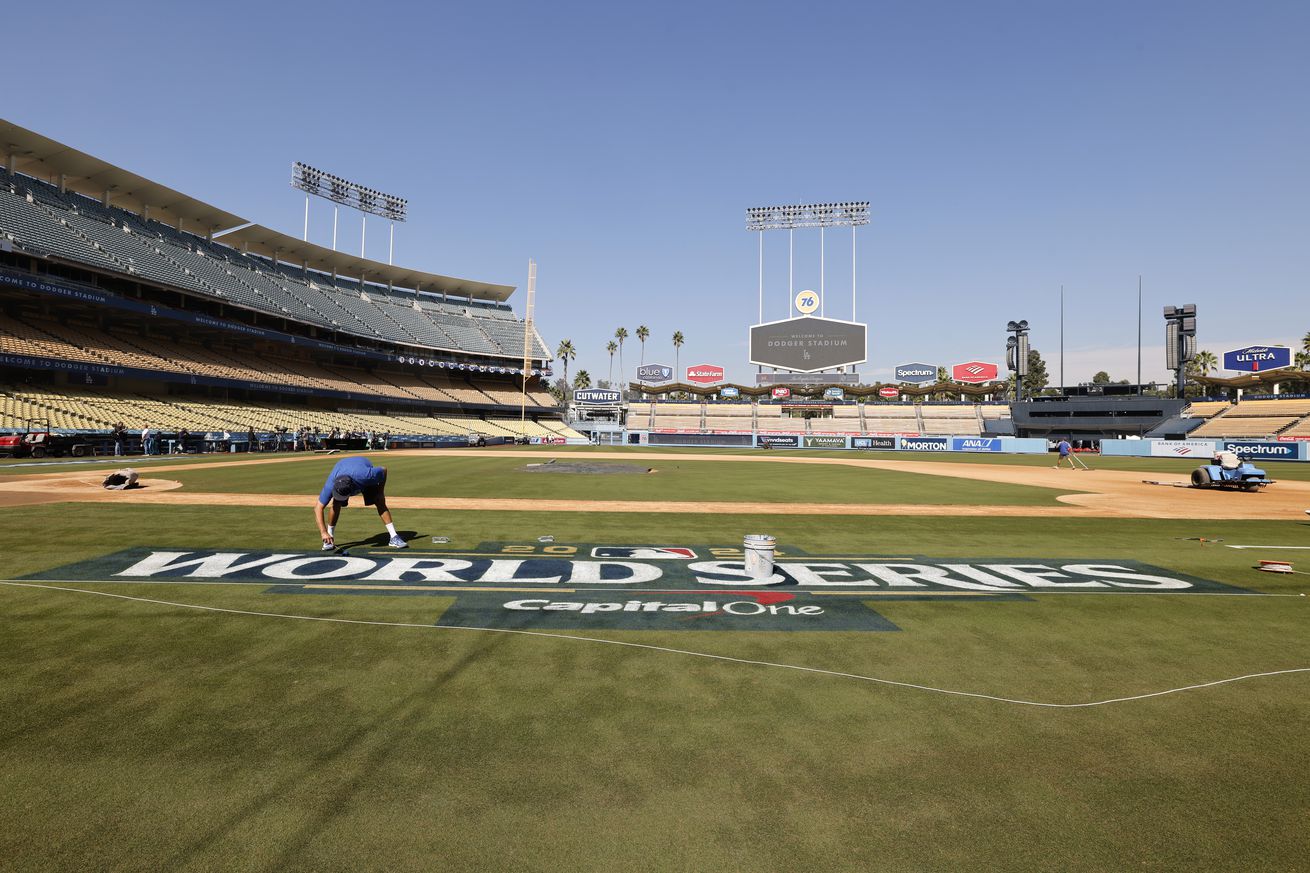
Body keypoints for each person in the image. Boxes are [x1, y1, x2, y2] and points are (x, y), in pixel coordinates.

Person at [314, 456, 407, 550]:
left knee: (379, 500)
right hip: (342, 466)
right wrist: (323, 532)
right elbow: (318, 508)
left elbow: (383, 470)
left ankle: (394, 537)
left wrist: (380, 492)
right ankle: (329, 539)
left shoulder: (366, 476)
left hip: (362, 466)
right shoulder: (330, 485)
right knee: (336, 503)